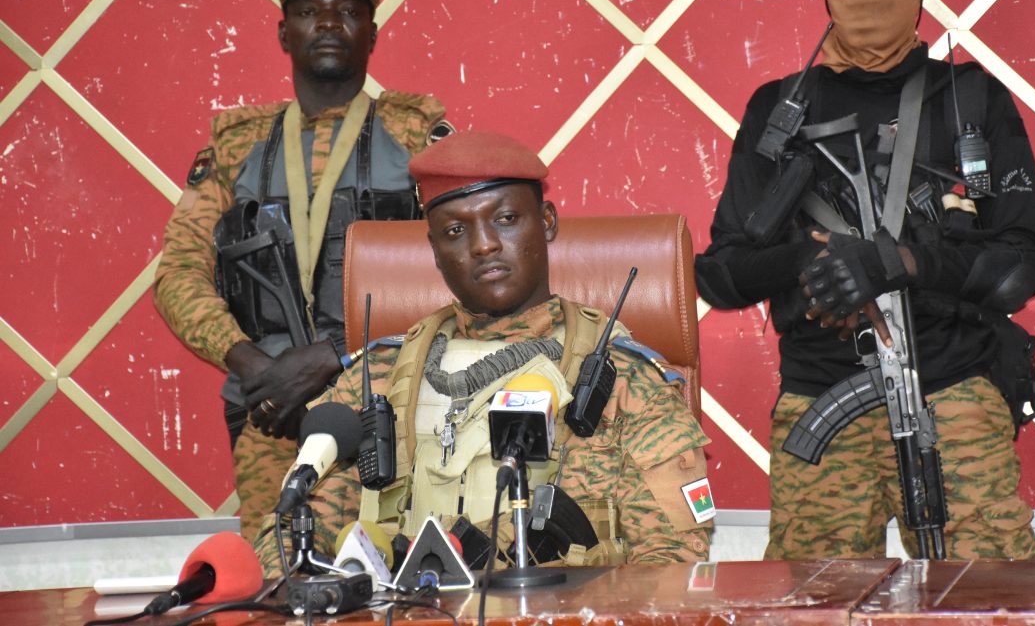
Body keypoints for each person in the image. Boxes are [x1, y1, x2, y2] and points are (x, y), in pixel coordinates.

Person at [695, 0, 1035, 560]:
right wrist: (806, 261)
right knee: (811, 606)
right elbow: (719, 272)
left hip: (953, 396)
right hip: (820, 403)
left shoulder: (970, 100)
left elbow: (1022, 267)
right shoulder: (779, 111)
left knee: (989, 601)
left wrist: (899, 263)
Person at [253, 130, 714, 574]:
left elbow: (670, 562)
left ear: (547, 221)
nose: (484, 244)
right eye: (455, 230)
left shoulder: (622, 378)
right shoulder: (378, 377)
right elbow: (294, 535)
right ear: (434, 249)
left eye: (506, 219)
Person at [154, 0, 449, 542]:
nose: (330, 23)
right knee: (278, 568)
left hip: (390, 398)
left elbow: (459, 270)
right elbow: (177, 276)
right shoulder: (235, 149)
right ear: (284, 33)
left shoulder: (418, 136)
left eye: (348, 11)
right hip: (267, 411)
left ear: (373, 33)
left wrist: (332, 356)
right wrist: (258, 368)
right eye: (310, 11)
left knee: (398, 561)